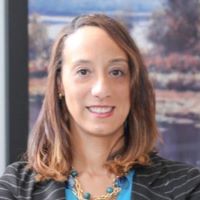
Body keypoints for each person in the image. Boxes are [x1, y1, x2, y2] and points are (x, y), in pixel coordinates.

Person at [0, 14, 200, 200]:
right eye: (84, 71)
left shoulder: (188, 187)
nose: (101, 89)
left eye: (116, 72)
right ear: (60, 84)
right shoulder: (16, 187)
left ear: (133, 84)